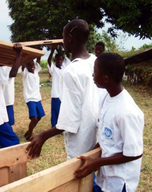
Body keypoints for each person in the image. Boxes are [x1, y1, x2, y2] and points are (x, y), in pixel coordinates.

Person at [26, 19, 99, 160]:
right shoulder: (96, 61)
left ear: (69, 39)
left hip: (81, 142)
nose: (63, 41)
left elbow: (70, 119)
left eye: (63, 37)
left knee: (83, 176)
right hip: (99, 139)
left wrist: (43, 136)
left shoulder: (71, 70)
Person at [74, 53, 144, 192]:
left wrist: (98, 162)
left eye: (95, 72)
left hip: (119, 182)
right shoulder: (106, 98)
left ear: (106, 79)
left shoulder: (127, 111)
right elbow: (106, 136)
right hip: (105, 177)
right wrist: (91, 155)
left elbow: (134, 153)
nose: (92, 75)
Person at [22, 56, 45, 141]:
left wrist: (38, 53)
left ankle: (28, 131)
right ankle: (29, 135)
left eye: (32, 64)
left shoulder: (35, 71)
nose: (32, 66)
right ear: (26, 66)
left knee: (39, 117)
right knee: (34, 118)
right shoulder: (25, 73)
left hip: (37, 98)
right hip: (30, 98)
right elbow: (23, 65)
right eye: (29, 64)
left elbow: (38, 60)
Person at [47, 44, 68, 127]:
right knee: (55, 111)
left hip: (63, 94)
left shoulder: (64, 68)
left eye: (61, 59)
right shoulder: (53, 69)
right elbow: (49, 61)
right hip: (55, 94)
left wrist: (64, 47)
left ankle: (61, 125)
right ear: (54, 60)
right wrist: (53, 49)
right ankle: (54, 125)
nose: (59, 61)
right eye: (57, 59)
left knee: (62, 111)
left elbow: (68, 56)